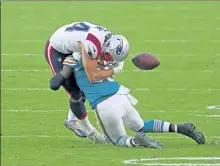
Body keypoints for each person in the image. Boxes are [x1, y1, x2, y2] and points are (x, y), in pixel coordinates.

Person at [51, 32, 206, 148]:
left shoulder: (76, 55)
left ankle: (136, 141)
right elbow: (108, 63)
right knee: (140, 125)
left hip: (104, 104)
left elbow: (56, 82)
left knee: (118, 140)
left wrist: (63, 73)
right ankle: (180, 127)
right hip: (121, 95)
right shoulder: (115, 59)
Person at [44, 21, 119, 143]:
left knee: (83, 87)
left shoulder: (105, 39)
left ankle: (71, 120)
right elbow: (92, 77)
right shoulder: (93, 45)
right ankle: (91, 132)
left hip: (76, 46)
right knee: (74, 92)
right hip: (57, 49)